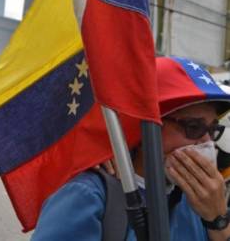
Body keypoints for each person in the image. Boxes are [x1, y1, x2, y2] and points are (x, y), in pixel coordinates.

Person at [30, 56, 230, 241]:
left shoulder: (196, 202)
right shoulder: (88, 196)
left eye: (213, 130)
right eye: (193, 128)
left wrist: (217, 220)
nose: (207, 142)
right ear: (144, 127)